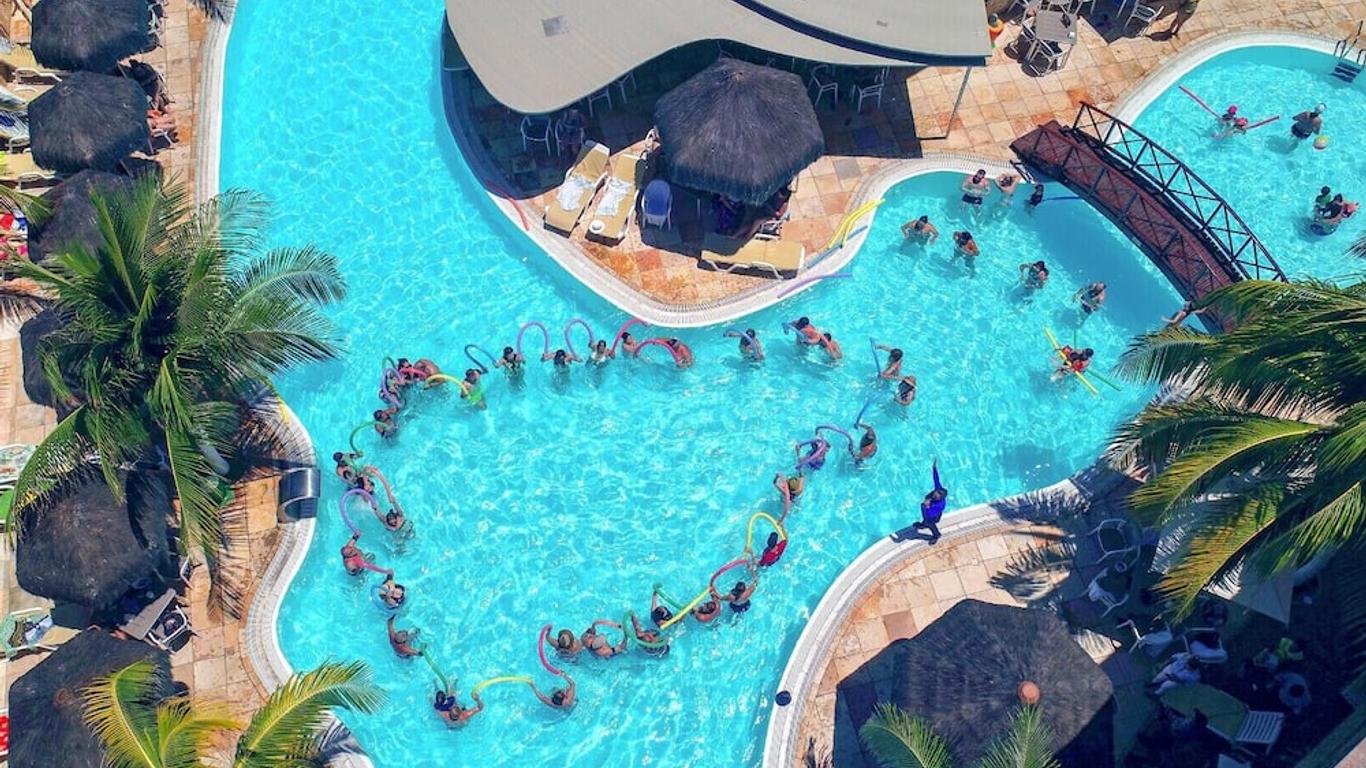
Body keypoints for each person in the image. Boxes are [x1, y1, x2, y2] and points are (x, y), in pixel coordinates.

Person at [911, 460, 947, 544]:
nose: (934, 494)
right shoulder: (938, 489)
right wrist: (934, 468)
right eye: (935, 492)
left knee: (930, 525)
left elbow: (929, 513)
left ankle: (936, 535)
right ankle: (923, 524)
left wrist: (927, 506)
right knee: (925, 521)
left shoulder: (939, 505)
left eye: (936, 495)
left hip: (932, 516)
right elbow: (936, 479)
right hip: (928, 512)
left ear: (940, 498)